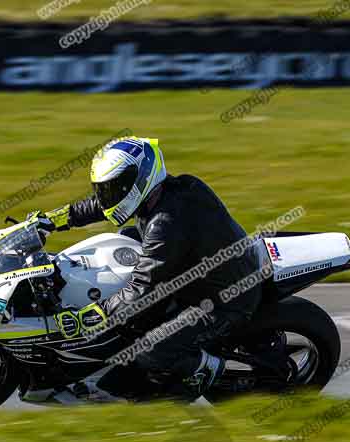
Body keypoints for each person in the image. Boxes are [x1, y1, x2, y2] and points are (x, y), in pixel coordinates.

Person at [29, 136, 262, 400]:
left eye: (114, 188)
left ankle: (202, 371)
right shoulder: (173, 189)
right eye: (105, 189)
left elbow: (142, 290)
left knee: (149, 350)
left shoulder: (164, 224)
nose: (107, 196)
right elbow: (102, 206)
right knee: (122, 243)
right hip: (197, 271)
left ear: (139, 180)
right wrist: (53, 220)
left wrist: (90, 316)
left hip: (223, 300)